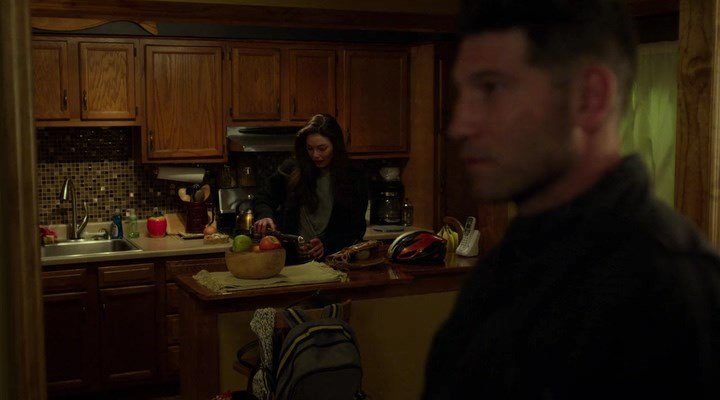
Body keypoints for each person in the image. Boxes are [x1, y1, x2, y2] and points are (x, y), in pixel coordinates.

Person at [424, 1, 720, 399]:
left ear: (590, 98)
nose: (459, 125)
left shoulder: (671, 290)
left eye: (491, 88)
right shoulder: (509, 263)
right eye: (463, 92)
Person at [253, 114, 368, 261]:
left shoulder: (353, 177)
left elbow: (356, 230)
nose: (315, 155)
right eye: (310, 148)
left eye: (322, 148)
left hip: (333, 260)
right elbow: (263, 196)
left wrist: (327, 244)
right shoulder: (291, 170)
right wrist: (264, 216)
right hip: (292, 259)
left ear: (336, 146)